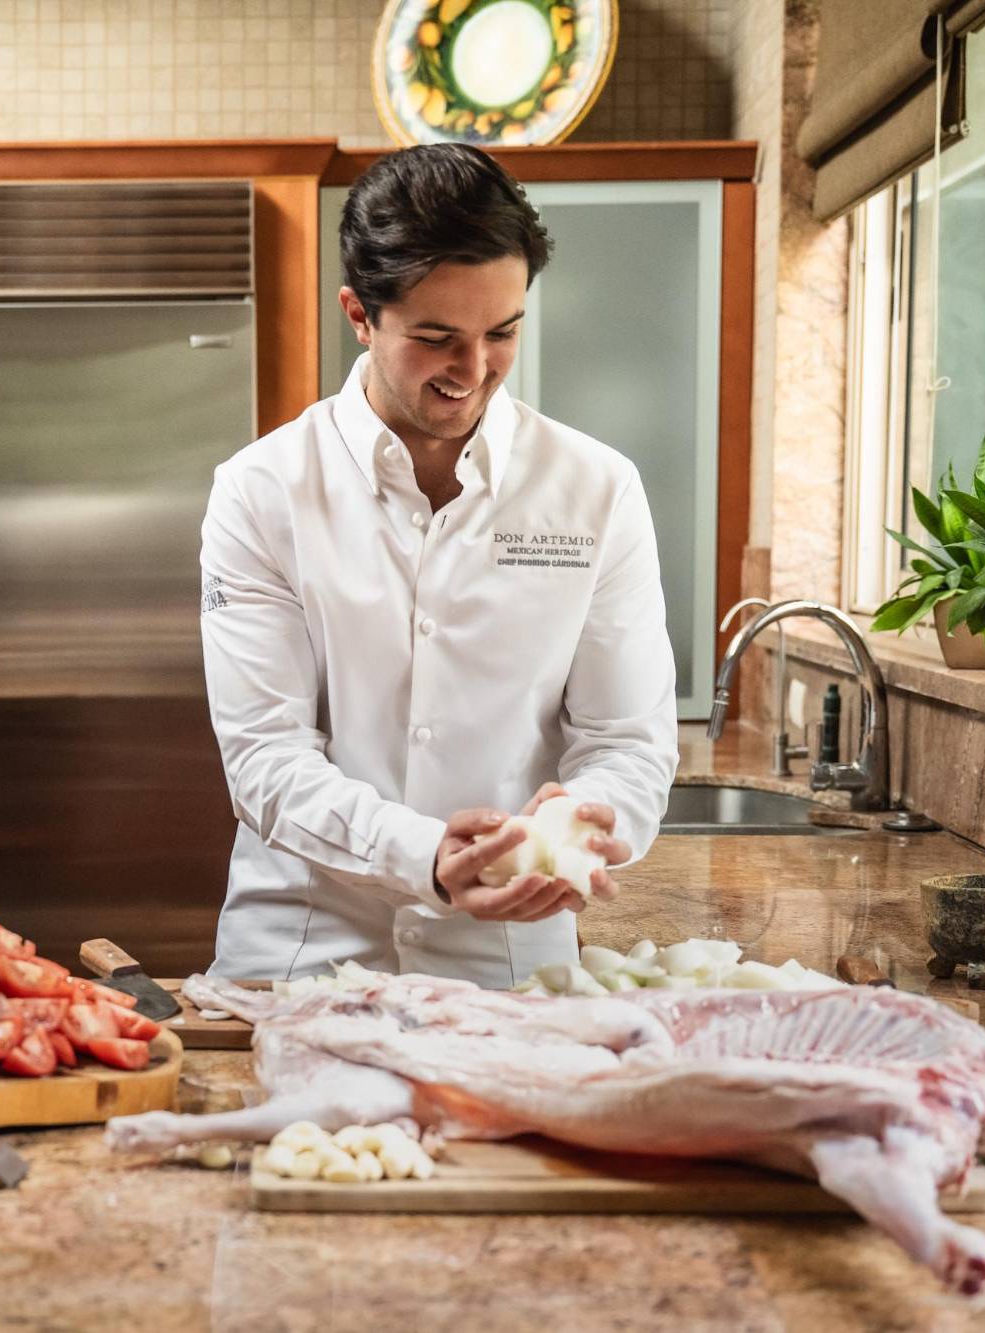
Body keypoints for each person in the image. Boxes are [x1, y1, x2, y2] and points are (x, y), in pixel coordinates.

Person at [200, 144, 679, 986]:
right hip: (301, 961)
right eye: (436, 338)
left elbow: (627, 740)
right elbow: (266, 760)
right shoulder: (262, 491)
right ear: (359, 312)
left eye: (502, 332)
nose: (474, 369)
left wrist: (589, 817)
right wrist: (423, 853)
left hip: (510, 970)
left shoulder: (596, 490)